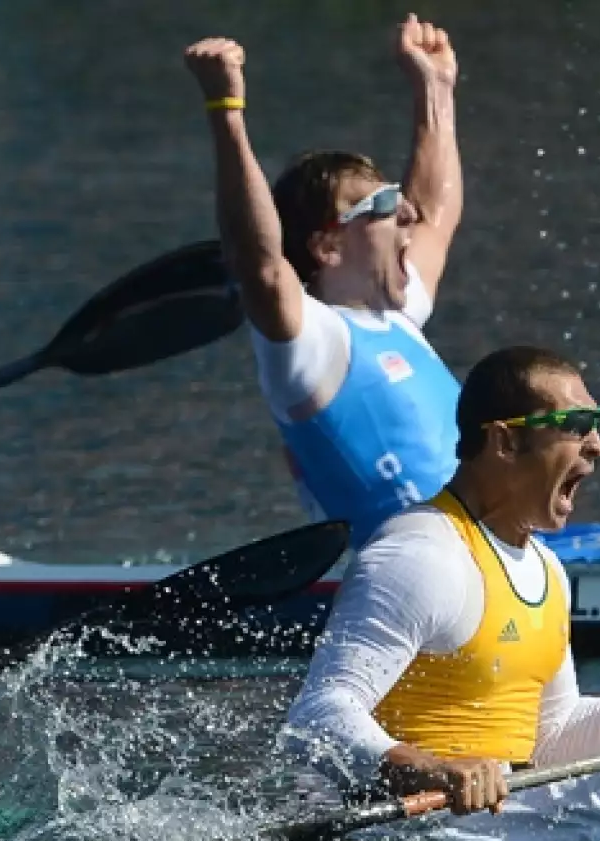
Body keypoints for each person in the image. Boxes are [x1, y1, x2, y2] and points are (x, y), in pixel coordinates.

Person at [282, 346, 600, 813]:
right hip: (403, 826)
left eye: (595, 425)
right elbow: (316, 717)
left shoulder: (546, 568)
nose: (598, 445)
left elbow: (552, 738)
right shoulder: (421, 557)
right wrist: (427, 767)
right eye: (574, 426)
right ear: (506, 442)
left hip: (503, 819)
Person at [184, 16, 464, 548]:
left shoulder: (399, 317)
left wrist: (435, 88)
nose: (405, 211)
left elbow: (436, 211)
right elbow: (260, 264)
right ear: (327, 247)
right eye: (382, 204)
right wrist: (226, 112)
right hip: (403, 581)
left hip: (488, 561)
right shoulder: (312, 346)